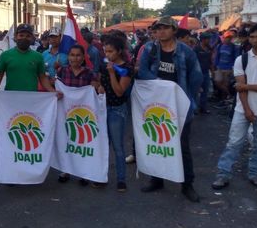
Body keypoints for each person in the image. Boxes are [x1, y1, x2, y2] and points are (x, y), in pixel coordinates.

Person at [138, 16, 202, 202]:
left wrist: (185, 98)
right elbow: (142, 71)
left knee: (182, 146)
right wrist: (161, 85)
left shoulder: (186, 52)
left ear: (174, 30)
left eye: (165, 28)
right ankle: (157, 179)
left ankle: (187, 184)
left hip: (179, 107)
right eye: (158, 29)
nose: (161, 31)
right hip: (156, 106)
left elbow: (196, 76)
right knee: (158, 142)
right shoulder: (150, 49)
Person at [212, 24, 257, 190]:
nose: (255, 40)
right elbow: (240, 88)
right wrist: (247, 110)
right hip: (242, 109)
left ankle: (255, 174)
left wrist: (246, 87)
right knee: (234, 143)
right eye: (252, 37)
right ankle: (223, 174)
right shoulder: (241, 59)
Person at [56, 44, 100, 185]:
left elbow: (96, 88)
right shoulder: (62, 71)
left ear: (83, 58)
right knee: (66, 140)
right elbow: (56, 86)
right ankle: (65, 170)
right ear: (68, 57)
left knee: (82, 142)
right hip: (66, 112)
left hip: (83, 114)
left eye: (78, 55)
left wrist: (97, 86)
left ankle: (83, 173)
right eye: (72, 55)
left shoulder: (89, 73)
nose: (75, 58)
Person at [97, 35, 133, 192]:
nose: (107, 54)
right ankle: (101, 176)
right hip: (102, 109)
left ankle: (121, 179)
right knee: (103, 145)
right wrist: (98, 86)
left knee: (118, 147)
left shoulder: (127, 68)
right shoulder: (103, 64)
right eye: (105, 51)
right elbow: (97, 81)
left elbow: (119, 92)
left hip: (117, 110)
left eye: (110, 51)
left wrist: (112, 73)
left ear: (119, 51)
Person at [0, 23, 60, 96]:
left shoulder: (38, 57)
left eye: (28, 36)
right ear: (15, 36)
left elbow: (43, 77)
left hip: (31, 98)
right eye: (21, 35)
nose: (24, 38)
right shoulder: (5, 55)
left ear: (32, 38)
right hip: (11, 98)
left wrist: (53, 91)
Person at [213, 31, 239, 105]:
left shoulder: (234, 47)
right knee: (217, 82)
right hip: (220, 67)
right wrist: (215, 65)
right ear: (223, 38)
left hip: (228, 69)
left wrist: (232, 68)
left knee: (225, 84)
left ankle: (224, 100)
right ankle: (230, 95)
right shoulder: (220, 46)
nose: (227, 39)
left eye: (229, 38)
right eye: (226, 38)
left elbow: (235, 58)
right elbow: (217, 56)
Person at [193, 32, 214, 114]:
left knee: (205, 91)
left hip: (206, 73)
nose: (209, 40)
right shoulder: (196, 49)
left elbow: (210, 61)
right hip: (197, 74)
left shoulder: (209, 48)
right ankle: (194, 109)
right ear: (203, 39)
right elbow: (193, 62)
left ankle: (203, 108)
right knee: (195, 91)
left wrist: (212, 71)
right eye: (208, 39)